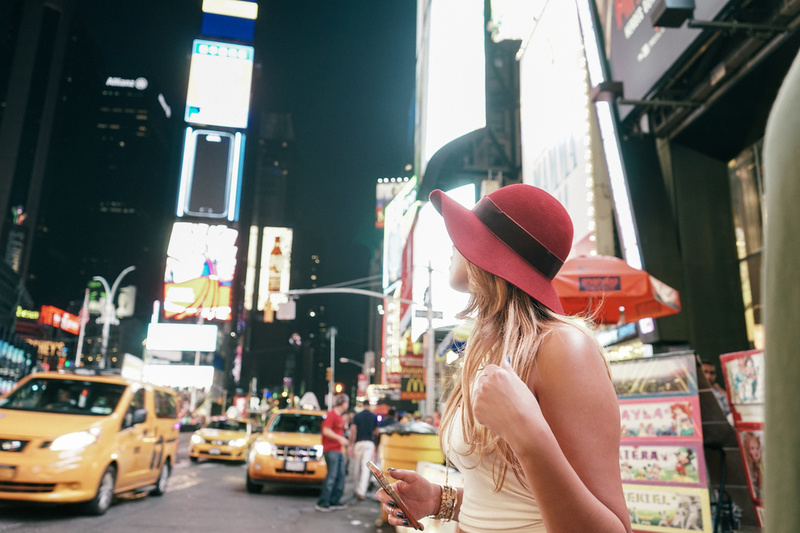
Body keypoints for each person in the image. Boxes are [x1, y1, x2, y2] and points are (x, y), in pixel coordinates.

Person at [376, 185, 632, 532]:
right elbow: (514, 501)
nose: (454, 244)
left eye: (467, 235)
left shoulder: (563, 347)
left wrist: (528, 433)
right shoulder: (490, 349)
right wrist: (439, 500)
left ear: (493, 254)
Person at [315, 393, 350, 512]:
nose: (348, 405)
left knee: (340, 476)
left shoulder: (339, 416)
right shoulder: (332, 415)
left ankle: (334, 501)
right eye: (347, 403)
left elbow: (336, 429)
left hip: (338, 449)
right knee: (332, 476)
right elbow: (325, 430)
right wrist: (340, 438)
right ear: (343, 403)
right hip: (331, 449)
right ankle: (323, 502)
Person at [350, 400, 379, 500]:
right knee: (365, 468)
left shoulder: (357, 416)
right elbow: (376, 432)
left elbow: (353, 430)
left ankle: (355, 488)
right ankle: (362, 491)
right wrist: (376, 445)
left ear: (362, 405)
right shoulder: (374, 416)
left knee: (356, 467)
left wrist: (351, 444)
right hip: (369, 443)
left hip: (359, 442)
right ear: (369, 405)